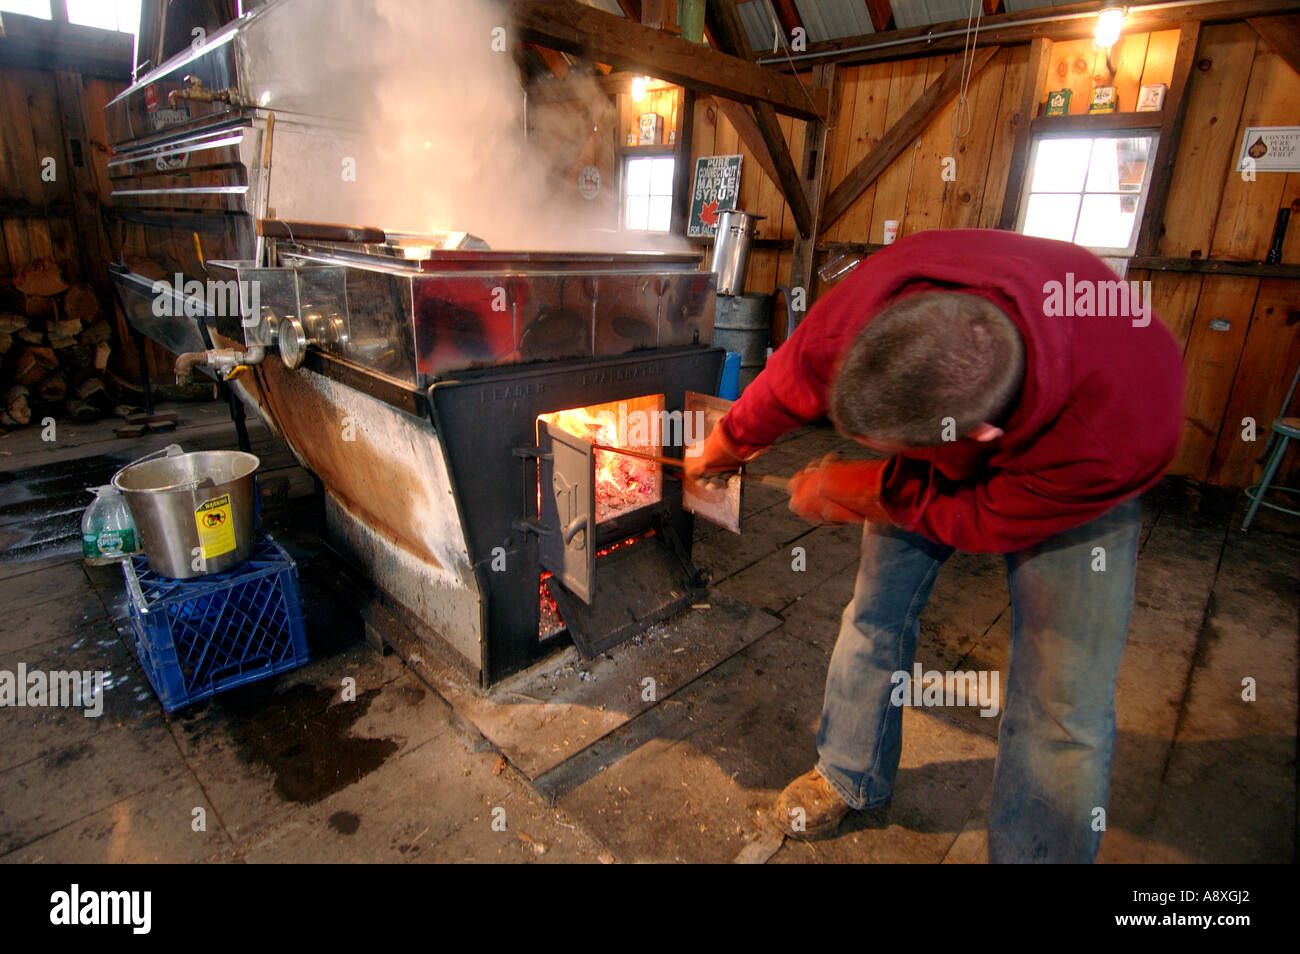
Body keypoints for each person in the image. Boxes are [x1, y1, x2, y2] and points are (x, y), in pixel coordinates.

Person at [685, 228, 1183, 863]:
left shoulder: (1119, 429)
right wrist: (723, 445)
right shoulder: (868, 310)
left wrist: (857, 488)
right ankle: (849, 770)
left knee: (1062, 700)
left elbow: (977, 515)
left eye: (901, 453)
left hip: (1076, 482)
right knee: (874, 612)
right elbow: (792, 378)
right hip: (955, 415)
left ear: (978, 435)